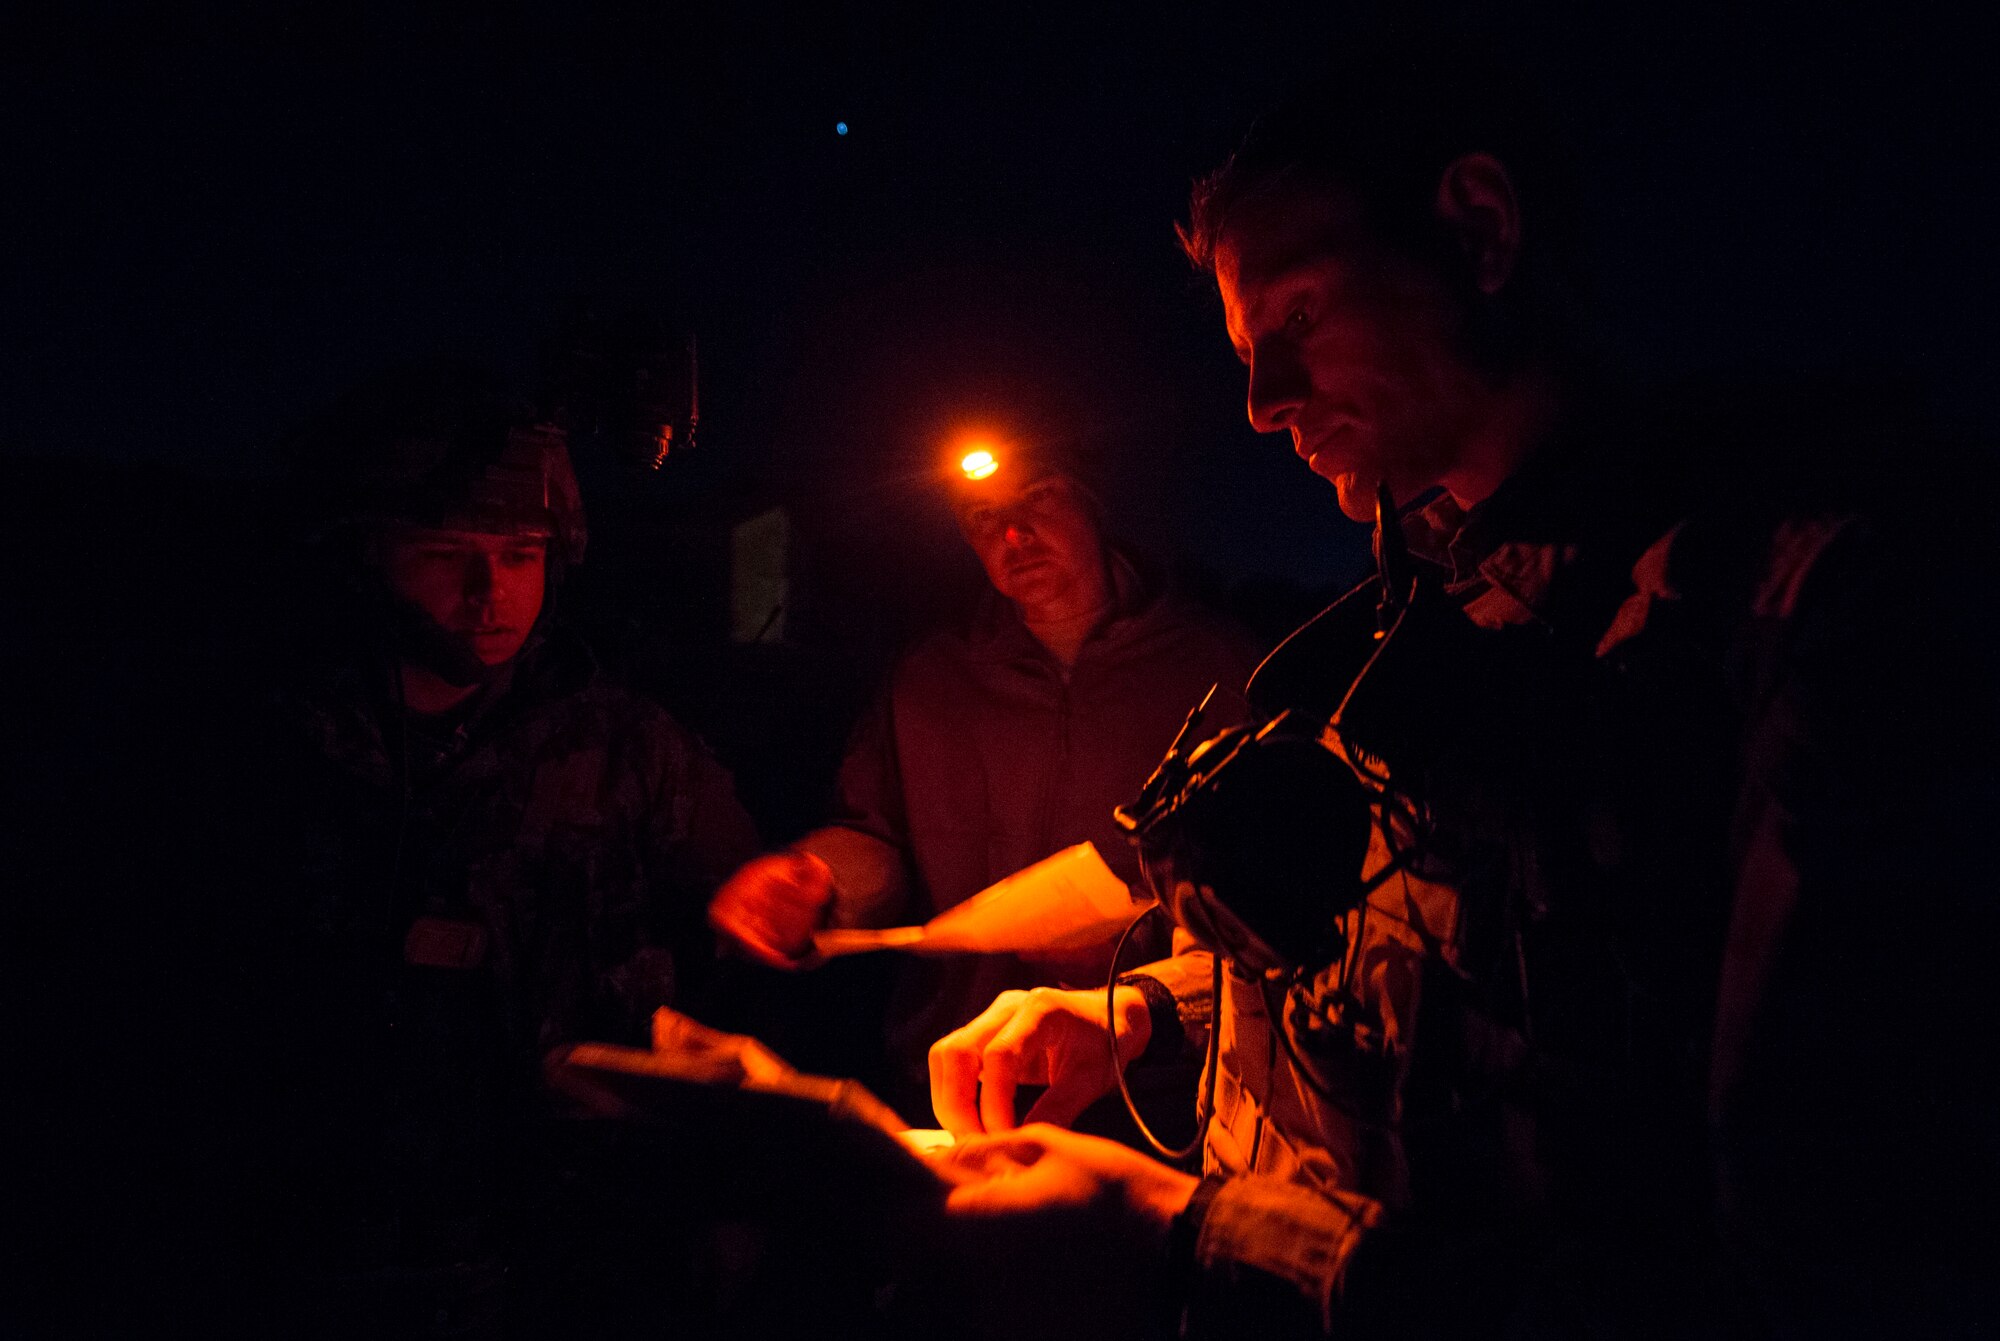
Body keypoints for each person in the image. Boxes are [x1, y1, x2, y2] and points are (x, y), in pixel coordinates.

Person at [920, 67, 1997, 1339]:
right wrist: (1138, 1015)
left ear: (1478, 231)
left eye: (1298, 315)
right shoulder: (1431, 612)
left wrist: (1184, 1239)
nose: (1261, 404)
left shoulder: (1807, 621)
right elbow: (1431, 967)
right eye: (1242, 351)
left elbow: (1800, 1269)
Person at [216, 365, 763, 1334]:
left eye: (519, 556)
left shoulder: (633, 753)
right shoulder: (262, 749)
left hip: (577, 1246)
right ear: (365, 555)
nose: (489, 595)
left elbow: (743, 997)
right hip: (319, 1247)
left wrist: (727, 1193)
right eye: (443, 554)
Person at [707, 439, 1262, 1117]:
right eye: (981, 516)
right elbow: (876, 833)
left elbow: (1263, 890)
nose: (1012, 534)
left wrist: (1132, 956)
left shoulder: (1219, 670)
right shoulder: (932, 677)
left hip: (1148, 1090)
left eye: (1038, 497)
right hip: (953, 1077)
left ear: (1092, 500)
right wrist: (815, 877)